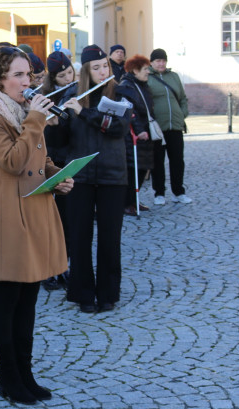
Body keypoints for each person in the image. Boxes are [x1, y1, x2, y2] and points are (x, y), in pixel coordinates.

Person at [0, 45, 72, 405]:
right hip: (10, 214)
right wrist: (35, 119)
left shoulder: (24, 113)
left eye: (28, 74)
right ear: (0, 79)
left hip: (37, 207)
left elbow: (39, 159)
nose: (26, 81)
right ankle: (8, 376)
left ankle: (26, 372)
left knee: (29, 299)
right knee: (8, 299)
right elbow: (14, 162)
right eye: (17, 74)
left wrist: (57, 175)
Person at [52, 45, 130, 314]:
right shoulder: (71, 95)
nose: (102, 71)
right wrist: (55, 122)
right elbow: (59, 142)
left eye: (105, 66)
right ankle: (83, 293)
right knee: (79, 237)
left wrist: (83, 113)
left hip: (112, 175)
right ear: (85, 71)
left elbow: (117, 127)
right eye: (96, 68)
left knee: (110, 238)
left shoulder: (120, 93)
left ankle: (108, 294)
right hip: (80, 176)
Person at [38, 51, 76, 291]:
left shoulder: (78, 93)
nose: (68, 78)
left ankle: (65, 265)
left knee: (68, 220)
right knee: (50, 220)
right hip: (50, 163)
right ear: (53, 77)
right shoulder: (44, 96)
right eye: (62, 75)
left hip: (70, 161)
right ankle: (48, 269)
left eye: (70, 72)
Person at [147, 49, 191, 205]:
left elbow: (182, 98)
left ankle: (178, 192)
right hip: (157, 128)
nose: (161, 63)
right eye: (158, 61)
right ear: (151, 62)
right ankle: (159, 193)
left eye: (163, 60)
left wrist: (182, 113)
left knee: (178, 160)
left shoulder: (174, 77)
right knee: (157, 161)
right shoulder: (148, 78)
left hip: (175, 126)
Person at [115, 55, 156, 216]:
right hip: (133, 136)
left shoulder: (142, 85)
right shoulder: (127, 86)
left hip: (145, 134)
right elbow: (130, 112)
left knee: (142, 169)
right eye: (145, 69)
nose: (148, 72)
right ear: (135, 70)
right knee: (134, 170)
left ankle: (134, 200)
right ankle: (128, 202)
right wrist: (139, 130)